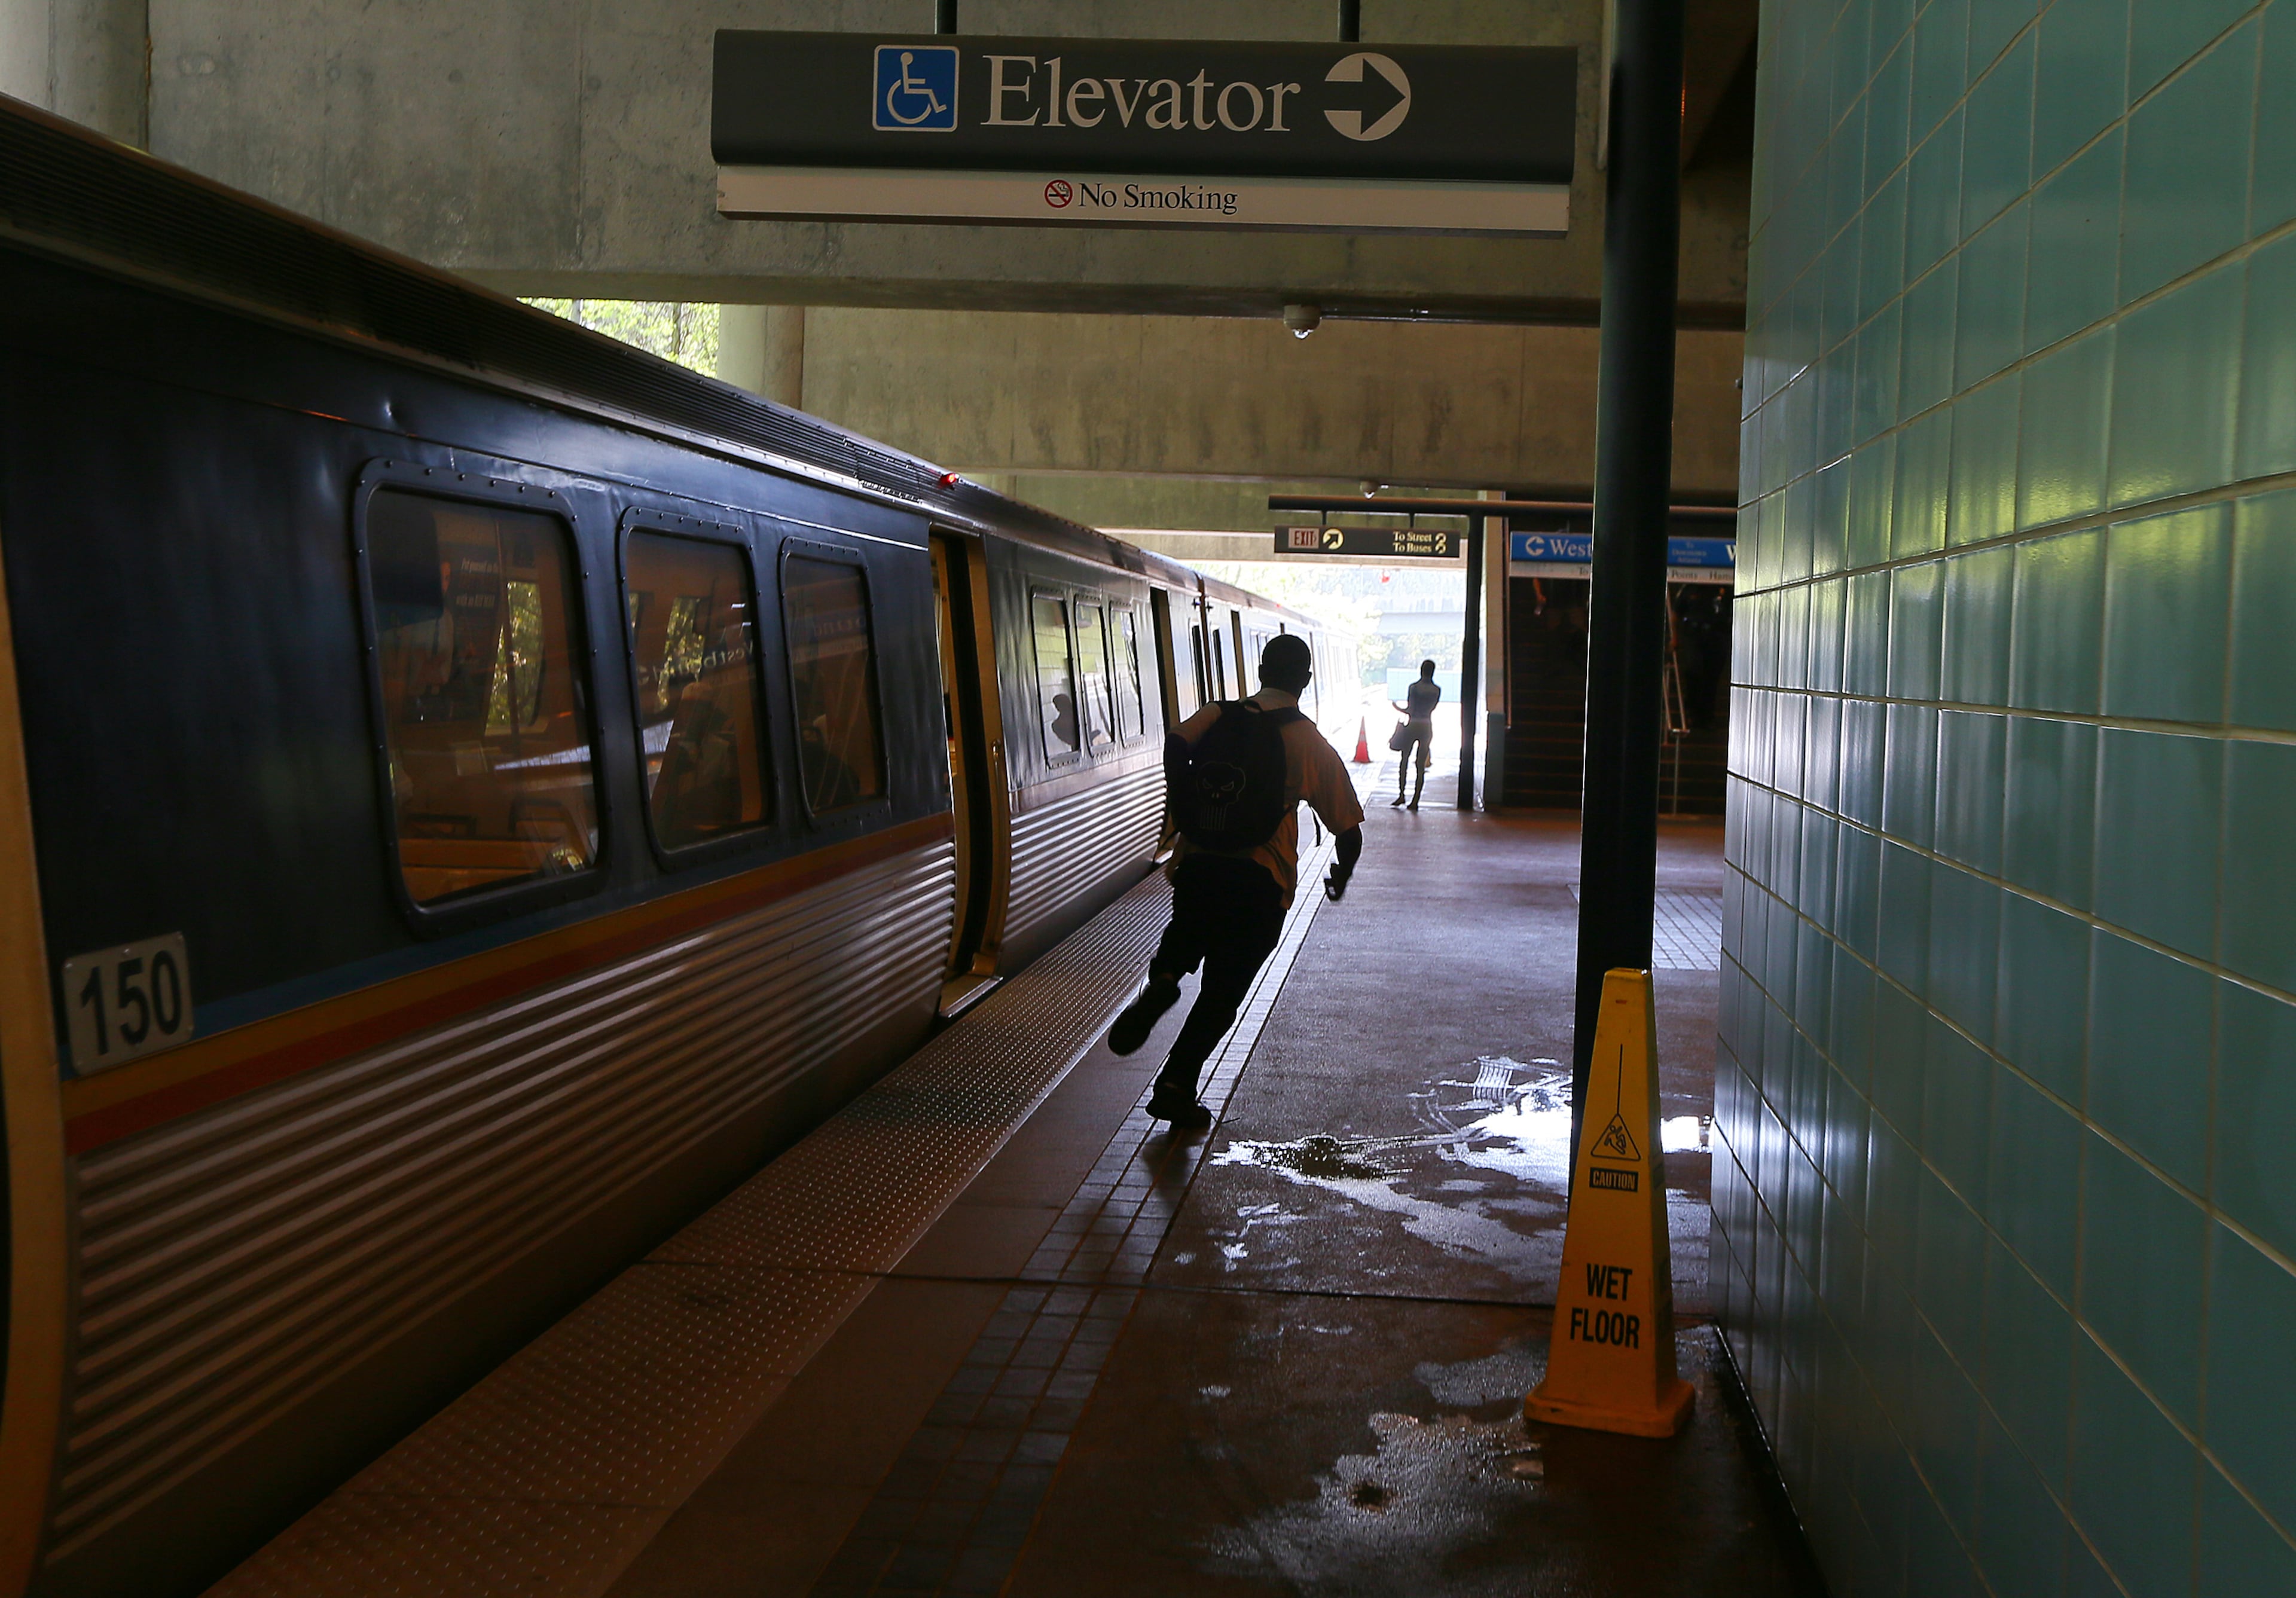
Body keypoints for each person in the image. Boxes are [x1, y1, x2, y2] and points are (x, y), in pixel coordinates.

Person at [1106, 634, 1366, 1129]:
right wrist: (1340, 873)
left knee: (1181, 944)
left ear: (1261, 668)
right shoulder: (1307, 740)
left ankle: (1163, 982)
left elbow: (1177, 741)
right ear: (1305, 681)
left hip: (1200, 866)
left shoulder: (1219, 714)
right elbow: (1348, 829)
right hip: (1259, 881)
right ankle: (1177, 1082)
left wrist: (1183, 805)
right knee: (1223, 991)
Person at [1390, 659, 1441, 810]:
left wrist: (1397, 708)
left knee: (1404, 760)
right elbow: (1432, 709)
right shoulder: (1437, 690)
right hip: (1427, 727)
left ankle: (1401, 795)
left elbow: (1411, 710)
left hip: (1412, 726)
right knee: (1420, 765)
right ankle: (1416, 800)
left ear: (1421, 670)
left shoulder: (1414, 688)